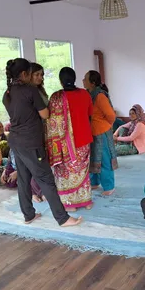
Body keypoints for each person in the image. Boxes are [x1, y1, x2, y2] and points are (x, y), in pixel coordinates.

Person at [3, 58, 81, 227]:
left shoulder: (7, 93)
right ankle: (62, 218)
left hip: (15, 140)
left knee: (23, 179)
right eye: (33, 74)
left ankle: (28, 215)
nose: (37, 77)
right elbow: (45, 114)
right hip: (31, 142)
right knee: (46, 179)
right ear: (25, 74)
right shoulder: (30, 91)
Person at [42, 67, 94, 211]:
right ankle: (86, 201)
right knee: (82, 171)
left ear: (60, 81)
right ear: (75, 79)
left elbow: (50, 121)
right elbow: (89, 113)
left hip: (64, 143)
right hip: (83, 139)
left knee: (66, 173)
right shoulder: (85, 94)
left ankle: (70, 204)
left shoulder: (56, 97)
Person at [83, 70, 118, 196]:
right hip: (91, 132)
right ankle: (94, 182)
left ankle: (109, 186)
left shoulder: (99, 96)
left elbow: (111, 115)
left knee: (104, 159)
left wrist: (105, 126)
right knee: (93, 158)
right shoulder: (88, 94)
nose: (83, 81)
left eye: (85, 79)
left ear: (92, 83)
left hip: (101, 132)